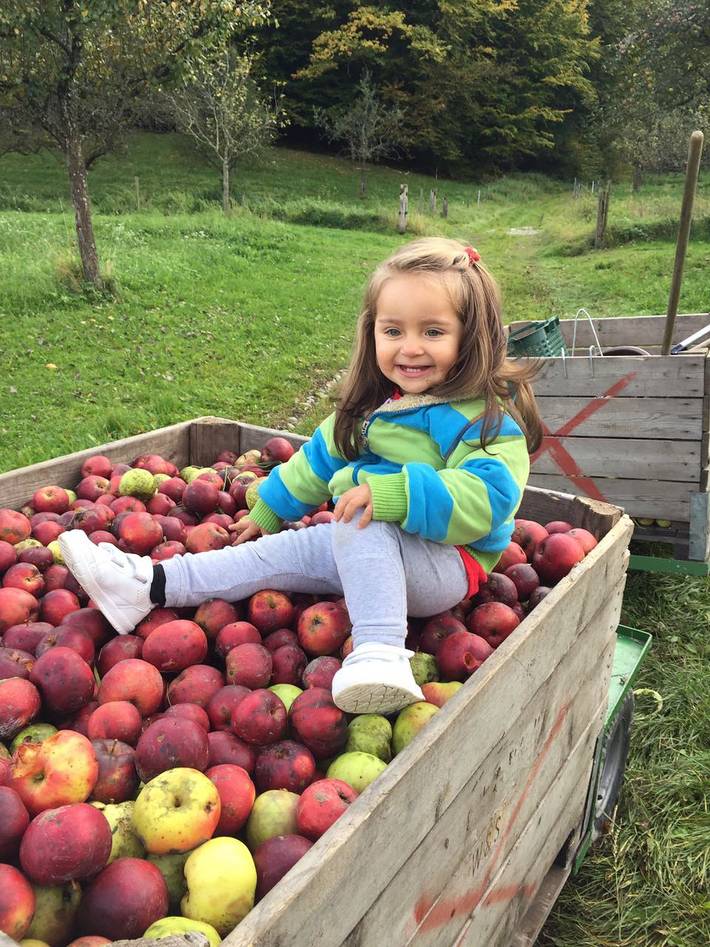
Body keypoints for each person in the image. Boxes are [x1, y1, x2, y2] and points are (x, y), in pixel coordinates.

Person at [59, 237, 542, 716]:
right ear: (371, 332)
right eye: (393, 331)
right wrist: (270, 509)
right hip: (367, 545)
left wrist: (392, 495)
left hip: (447, 564)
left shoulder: (484, 423)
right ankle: (148, 586)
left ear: (470, 336)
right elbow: (317, 460)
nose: (410, 348)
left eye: (433, 332)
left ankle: (380, 653)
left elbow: (488, 499)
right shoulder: (376, 411)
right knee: (265, 557)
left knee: (361, 515)